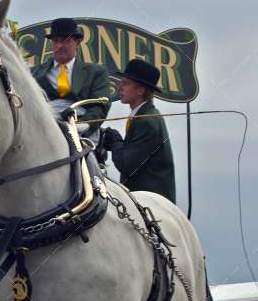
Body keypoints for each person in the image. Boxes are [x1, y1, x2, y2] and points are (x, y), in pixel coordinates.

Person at [102, 58, 176, 203]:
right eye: (120, 82)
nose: (120, 87)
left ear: (140, 90)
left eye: (126, 83)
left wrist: (115, 141)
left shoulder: (147, 122)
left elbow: (126, 165)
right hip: (145, 201)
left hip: (153, 206)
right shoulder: (142, 115)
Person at [31, 17, 112, 137]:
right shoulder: (33, 73)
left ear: (78, 42)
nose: (59, 46)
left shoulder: (96, 72)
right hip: (43, 131)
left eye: (65, 41)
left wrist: (85, 125)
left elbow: (100, 106)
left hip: (81, 133)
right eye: (55, 41)